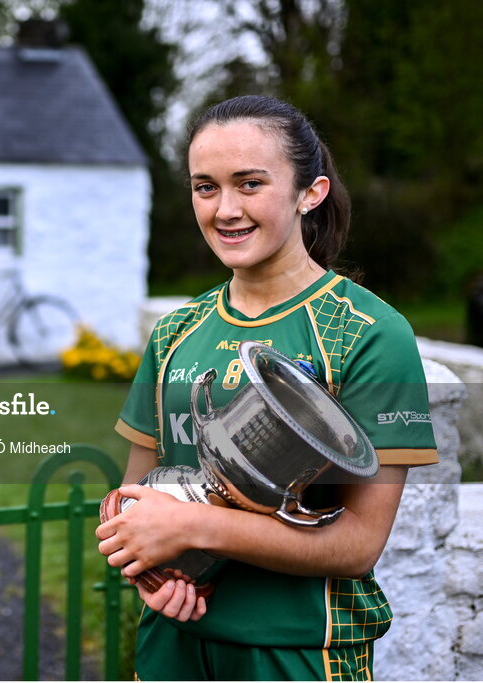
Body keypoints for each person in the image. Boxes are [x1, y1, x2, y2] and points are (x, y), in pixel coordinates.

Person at [96, 95, 438, 681]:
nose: (225, 209)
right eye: (205, 187)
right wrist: (147, 571)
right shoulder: (176, 330)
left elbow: (359, 544)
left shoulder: (369, 333)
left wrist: (196, 527)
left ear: (311, 192)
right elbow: (134, 496)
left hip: (300, 650)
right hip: (171, 642)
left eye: (250, 183)